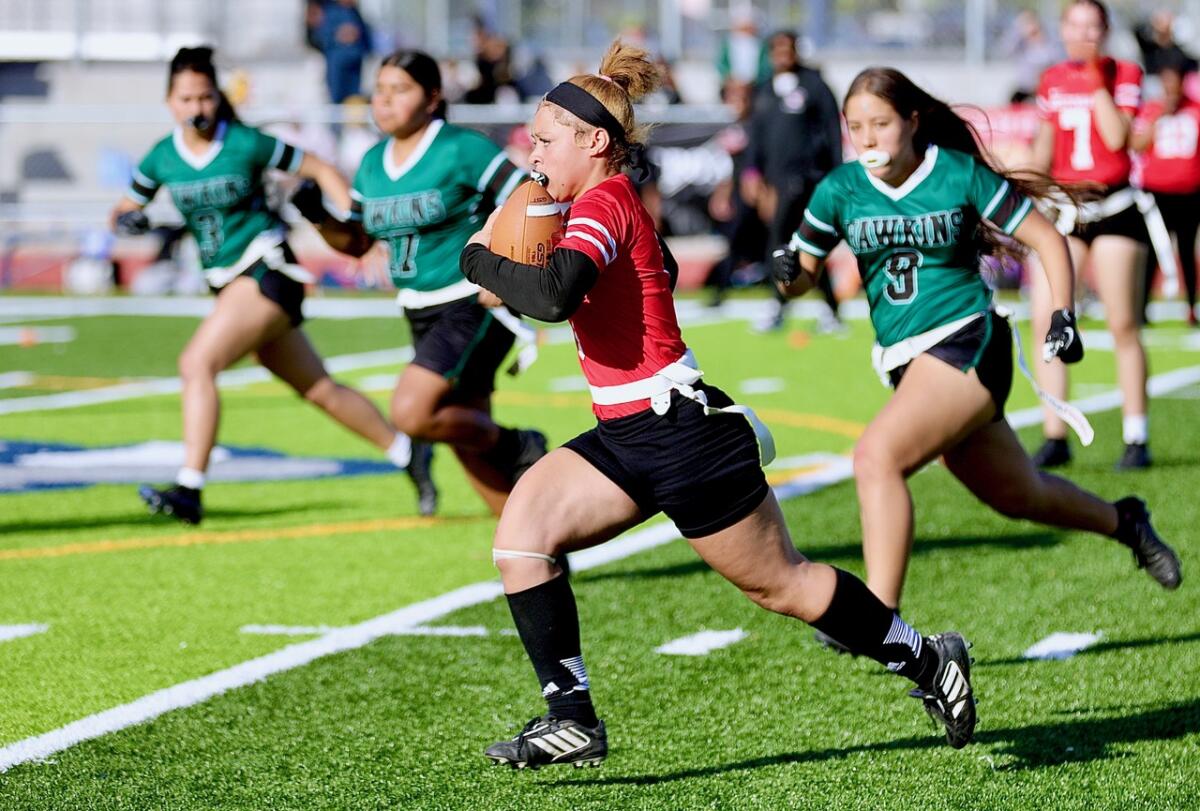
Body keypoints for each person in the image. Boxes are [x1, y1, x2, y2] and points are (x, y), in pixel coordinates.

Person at [459, 40, 980, 771]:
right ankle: (571, 718)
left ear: (594, 143)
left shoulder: (605, 201)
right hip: (627, 429)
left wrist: (479, 256)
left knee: (786, 584)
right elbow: (631, 273)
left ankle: (928, 659)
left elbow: (552, 298)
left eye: (545, 139)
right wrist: (515, 251)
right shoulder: (594, 204)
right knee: (521, 539)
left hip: (681, 432)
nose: (532, 151)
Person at [772, 66, 1182, 640]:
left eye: (881, 124)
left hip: (967, 340)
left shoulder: (955, 172)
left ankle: (878, 622)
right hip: (908, 361)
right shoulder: (840, 188)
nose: (867, 138)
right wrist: (788, 274)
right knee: (1019, 494)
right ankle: (1125, 521)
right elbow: (804, 277)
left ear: (913, 121)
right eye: (856, 126)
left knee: (876, 458)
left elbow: (1046, 239)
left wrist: (1062, 314)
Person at [111, 46, 435, 524]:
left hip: (267, 271)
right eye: (186, 99)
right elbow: (122, 209)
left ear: (217, 97)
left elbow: (320, 167)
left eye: (205, 97)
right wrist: (128, 220)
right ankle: (407, 451)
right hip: (228, 285)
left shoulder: (244, 142)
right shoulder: (162, 156)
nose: (197, 107)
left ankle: (190, 488)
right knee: (319, 389)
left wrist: (355, 223)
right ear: (169, 103)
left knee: (196, 363)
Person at [297, 50, 546, 516]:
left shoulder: (461, 148)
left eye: (400, 90)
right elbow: (357, 242)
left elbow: (530, 200)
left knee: (411, 413)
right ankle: (533, 549)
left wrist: (505, 266)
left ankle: (520, 444)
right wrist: (316, 215)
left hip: (472, 300)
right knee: (467, 438)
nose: (385, 101)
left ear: (432, 98)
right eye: (380, 90)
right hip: (417, 308)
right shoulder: (372, 162)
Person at [1029, 0, 1154, 470]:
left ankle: (1136, 435)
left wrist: (1097, 80)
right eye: (1075, 26)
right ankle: (1055, 432)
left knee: (1123, 323)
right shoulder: (1051, 78)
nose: (1083, 35)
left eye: (1092, 26)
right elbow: (1045, 148)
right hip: (1067, 210)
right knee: (1048, 320)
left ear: (1105, 31)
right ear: (1062, 29)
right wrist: (1022, 180)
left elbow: (1117, 137)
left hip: (1115, 207)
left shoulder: (1124, 73)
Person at [745, 29, 843, 333]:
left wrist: (836, 176)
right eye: (777, 50)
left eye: (788, 49)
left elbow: (832, 133)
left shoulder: (814, 86)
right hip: (775, 181)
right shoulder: (764, 90)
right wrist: (752, 174)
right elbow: (756, 137)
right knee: (783, 242)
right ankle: (796, 305)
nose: (783, 55)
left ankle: (802, 306)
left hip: (808, 179)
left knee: (804, 240)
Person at [1132, 59, 1200, 326]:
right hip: (1157, 192)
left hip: (1189, 192)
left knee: (1186, 250)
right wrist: (1158, 116)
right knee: (1151, 250)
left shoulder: (1195, 110)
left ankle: (1191, 307)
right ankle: (1142, 308)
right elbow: (1137, 145)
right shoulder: (1151, 110)